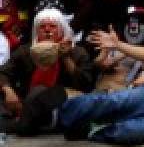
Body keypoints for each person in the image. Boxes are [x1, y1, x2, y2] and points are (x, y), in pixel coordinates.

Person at [0, 8, 94, 136]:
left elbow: (86, 84)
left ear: (61, 30)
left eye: (52, 26)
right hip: (26, 103)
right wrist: (8, 91)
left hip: (61, 104)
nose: (47, 30)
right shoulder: (25, 51)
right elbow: (3, 72)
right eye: (42, 27)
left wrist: (65, 57)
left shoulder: (77, 52)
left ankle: (24, 124)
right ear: (36, 31)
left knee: (40, 91)